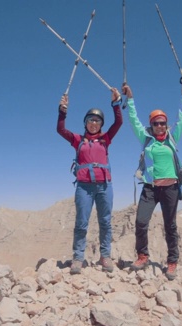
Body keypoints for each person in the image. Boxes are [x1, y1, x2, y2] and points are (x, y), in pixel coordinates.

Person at [122, 80, 182, 280]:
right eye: (155, 123)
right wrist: (130, 99)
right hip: (150, 189)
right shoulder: (146, 139)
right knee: (141, 222)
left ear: (166, 125)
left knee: (170, 225)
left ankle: (172, 261)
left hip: (170, 188)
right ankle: (142, 256)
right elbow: (133, 120)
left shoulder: (172, 137)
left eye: (162, 123)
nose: (159, 126)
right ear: (150, 125)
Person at [57, 88, 123, 275]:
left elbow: (119, 122)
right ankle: (78, 258)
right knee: (81, 223)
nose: (94, 123)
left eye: (97, 120)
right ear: (85, 122)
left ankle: (105, 256)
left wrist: (116, 103)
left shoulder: (105, 139)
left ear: (101, 124)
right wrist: (62, 111)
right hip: (84, 188)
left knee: (105, 222)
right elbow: (60, 129)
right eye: (90, 120)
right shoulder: (78, 140)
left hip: (104, 186)